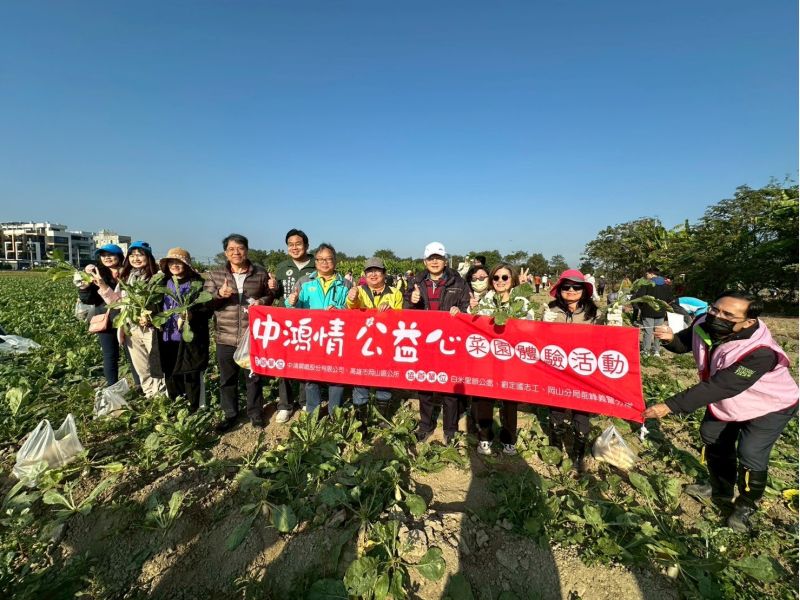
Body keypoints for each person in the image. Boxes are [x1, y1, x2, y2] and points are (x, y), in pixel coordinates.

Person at [644, 291, 798, 532]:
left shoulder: (760, 352)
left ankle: (746, 505)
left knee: (750, 452)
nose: (717, 316)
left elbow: (721, 385)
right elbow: (686, 341)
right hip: (729, 402)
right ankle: (720, 488)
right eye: (716, 309)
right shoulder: (703, 323)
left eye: (728, 315)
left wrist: (670, 406)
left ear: (748, 322)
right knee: (712, 438)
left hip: (769, 405)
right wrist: (669, 339)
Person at [205, 234, 274, 431]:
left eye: (240, 248)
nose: (236, 252)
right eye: (231, 249)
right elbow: (205, 301)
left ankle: (255, 413)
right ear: (226, 253)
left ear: (247, 250)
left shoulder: (260, 273)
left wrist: (262, 301)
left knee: (253, 377)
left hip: (251, 336)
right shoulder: (215, 275)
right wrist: (219, 295)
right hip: (225, 335)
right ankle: (231, 414)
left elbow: (269, 296)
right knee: (227, 379)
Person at [404, 242, 471, 444]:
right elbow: (406, 310)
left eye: (438, 258)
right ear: (425, 261)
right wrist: (412, 299)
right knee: (424, 384)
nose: (435, 261)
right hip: (424, 342)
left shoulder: (458, 282)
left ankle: (450, 430)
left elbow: (466, 307)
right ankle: (426, 425)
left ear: (445, 260)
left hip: (449, 343)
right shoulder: (416, 282)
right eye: (431, 258)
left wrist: (460, 312)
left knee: (450, 387)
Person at [469, 263, 534, 455]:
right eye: (496, 278)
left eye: (504, 277)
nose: (500, 281)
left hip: (511, 358)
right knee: (484, 398)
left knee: (509, 399)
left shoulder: (521, 302)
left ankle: (508, 439)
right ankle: (485, 438)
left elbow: (529, 327)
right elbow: (473, 325)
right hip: (487, 358)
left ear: (512, 279)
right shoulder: (485, 301)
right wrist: (468, 310)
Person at [542, 269, 600, 470]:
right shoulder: (551, 310)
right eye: (566, 287)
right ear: (560, 290)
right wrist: (540, 324)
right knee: (556, 410)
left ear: (584, 290)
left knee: (581, 413)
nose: (571, 290)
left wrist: (613, 324)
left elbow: (607, 341)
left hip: (583, 370)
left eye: (576, 287)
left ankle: (578, 455)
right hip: (556, 369)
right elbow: (539, 340)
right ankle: (556, 452)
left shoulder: (594, 313)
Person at [286, 243, 352, 415]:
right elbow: (294, 307)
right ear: (315, 262)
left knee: (336, 376)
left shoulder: (345, 284)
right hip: (312, 336)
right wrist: (290, 302)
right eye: (321, 259)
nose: (325, 263)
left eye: (329, 259)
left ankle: (334, 413)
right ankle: (313, 412)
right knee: (311, 376)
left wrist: (340, 310)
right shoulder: (305, 282)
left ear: (335, 261)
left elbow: (352, 309)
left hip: (335, 336)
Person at [96, 241, 166, 398]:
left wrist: (150, 315)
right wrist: (102, 285)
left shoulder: (157, 277)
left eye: (140, 255)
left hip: (150, 328)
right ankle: (150, 395)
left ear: (148, 257)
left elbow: (161, 302)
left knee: (156, 364)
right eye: (132, 255)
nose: (136, 258)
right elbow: (116, 302)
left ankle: (161, 396)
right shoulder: (127, 277)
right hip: (132, 328)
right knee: (141, 366)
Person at [345, 257, 403, 423]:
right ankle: (360, 420)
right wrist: (352, 297)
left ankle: (381, 418)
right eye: (369, 271)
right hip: (362, 343)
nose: (373, 274)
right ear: (364, 274)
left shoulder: (395, 293)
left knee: (384, 379)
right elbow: (352, 307)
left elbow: (400, 317)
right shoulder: (360, 291)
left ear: (384, 273)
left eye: (377, 270)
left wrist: (390, 311)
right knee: (360, 379)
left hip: (386, 344)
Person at [269, 228, 316, 423]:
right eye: (291, 244)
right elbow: (276, 295)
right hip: (286, 322)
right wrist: (272, 288)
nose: (294, 247)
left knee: (307, 361)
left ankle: (306, 400)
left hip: (310, 322)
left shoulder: (317, 264)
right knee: (284, 362)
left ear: (306, 245)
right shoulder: (282, 267)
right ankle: (285, 405)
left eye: (298, 243)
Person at [157, 247, 211, 412]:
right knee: (171, 373)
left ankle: (195, 409)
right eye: (171, 262)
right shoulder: (162, 283)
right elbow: (155, 306)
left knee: (191, 374)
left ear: (187, 265)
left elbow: (208, 308)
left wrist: (192, 314)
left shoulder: (199, 283)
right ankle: (177, 406)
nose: (175, 265)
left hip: (190, 338)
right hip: (167, 336)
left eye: (179, 262)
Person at [78, 244, 135, 387]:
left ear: (120, 256)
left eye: (110, 254)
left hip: (128, 318)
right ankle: (113, 387)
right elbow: (88, 299)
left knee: (133, 354)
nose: (107, 258)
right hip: (107, 320)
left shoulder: (130, 273)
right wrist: (84, 287)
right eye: (103, 255)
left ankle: (141, 385)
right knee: (110, 355)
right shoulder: (97, 274)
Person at [633, 267, 674, 357]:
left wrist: (642, 307)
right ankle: (656, 351)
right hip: (660, 312)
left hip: (648, 311)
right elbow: (670, 299)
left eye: (647, 274)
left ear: (651, 274)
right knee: (658, 331)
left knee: (648, 331)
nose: (646, 276)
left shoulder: (647, 283)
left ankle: (646, 351)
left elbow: (639, 296)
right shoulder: (666, 284)